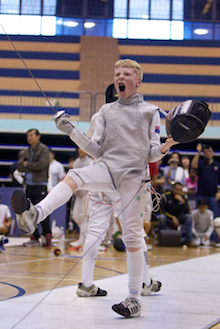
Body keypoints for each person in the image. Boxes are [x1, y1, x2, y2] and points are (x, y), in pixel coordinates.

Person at [11, 59, 178, 318]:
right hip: (107, 172)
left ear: (138, 81)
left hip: (132, 178)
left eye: (126, 74)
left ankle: (133, 296)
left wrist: (166, 146)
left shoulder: (149, 112)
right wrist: (71, 131)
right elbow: (96, 150)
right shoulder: (105, 113)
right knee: (75, 175)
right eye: (117, 73)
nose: (120, 77)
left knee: (129, 236)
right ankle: (36, 214)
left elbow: (152, 153)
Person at [14, 128, 51, 247]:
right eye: (27, 136)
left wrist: (27, 165)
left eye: (31, 135)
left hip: (40, 184)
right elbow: (19, 166)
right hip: (28, 185)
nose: (29, 138)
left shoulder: (44, 149)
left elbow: (41, 166)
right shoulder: (26, 151)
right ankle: (35, 238)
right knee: (29, 212)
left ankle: (47, 236)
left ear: (38, 136)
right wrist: (29, 166)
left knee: (42, 210)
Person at [158, 182, 197, 247]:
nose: (179, 192)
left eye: (180, 190)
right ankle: (161, 239)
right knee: (162, 217)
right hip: (168, 217)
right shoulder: (165, 196)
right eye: (177, 190)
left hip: (179, 217)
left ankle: (189, 240)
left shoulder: (184, 197)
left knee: (189, 217)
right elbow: (162, 210)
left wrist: (183, 202)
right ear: (173, 189)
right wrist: (172, 217)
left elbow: (187, 211)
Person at [69, 148, 93, 247]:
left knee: (83, 216)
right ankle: (86, 235)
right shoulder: (77, 162)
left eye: (83, 148)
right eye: (79, 148)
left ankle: (82, 240)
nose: (80, 150)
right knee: (75, 215)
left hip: (87, 192)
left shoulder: (90, 162)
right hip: (78, 193)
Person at [191, 143, 220, 218]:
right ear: (203, 154)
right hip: (201, 194)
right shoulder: (201, 164)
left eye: (209, 151)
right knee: (199, 217)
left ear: (213, 152)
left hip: (213, 195)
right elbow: (193, 165)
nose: (207, 153)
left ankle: (213, 230)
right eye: (205, 152)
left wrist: (219, 192)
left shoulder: (217, 165)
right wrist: (199, 151)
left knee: (214, 217)